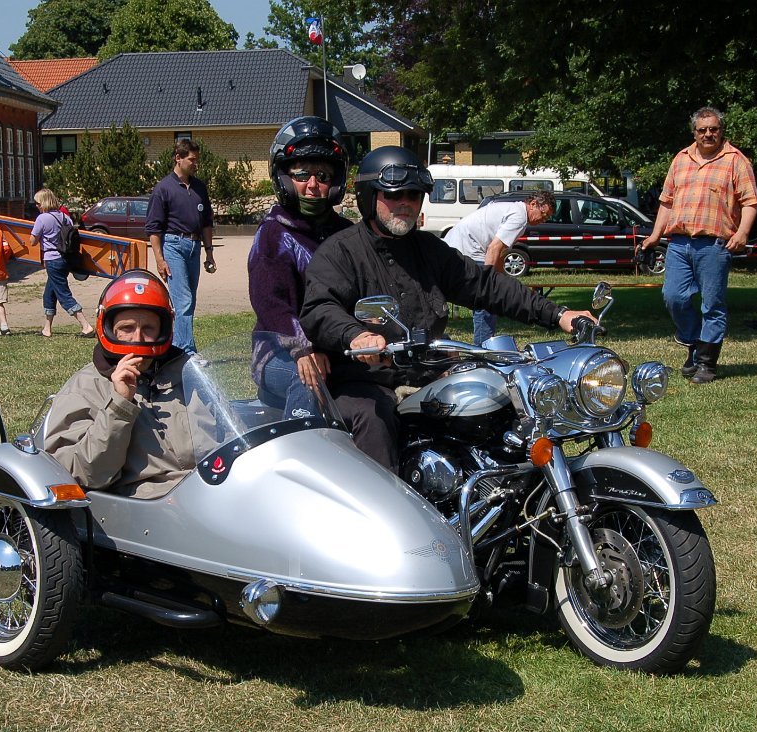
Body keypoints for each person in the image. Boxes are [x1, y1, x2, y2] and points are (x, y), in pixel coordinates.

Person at [300, 146, 596, 470]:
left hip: (425, 372)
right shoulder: (341, 252)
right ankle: (387, 515)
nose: (406, 203)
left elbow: (486, 285)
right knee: (374, 418)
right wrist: (355, 336)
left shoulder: (429, 250)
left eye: (414, 195)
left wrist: (559, 314)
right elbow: (319, 307)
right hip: (364, 380)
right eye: (394, 194)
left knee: (495, 402)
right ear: (369, 195)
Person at [44, 270, 202, 498]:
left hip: (208, 493)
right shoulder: (86, 386)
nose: (138, 337)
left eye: (149, 328)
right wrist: (120, 404)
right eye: (127, 328)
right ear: (108, 328)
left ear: (164, 329)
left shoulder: (189, 375)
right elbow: (82, 473)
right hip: (148, 506)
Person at [640, 106, 757, 384]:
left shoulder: (736, 160)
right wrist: (655, 235)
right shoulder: (680, 159)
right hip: (679, 243)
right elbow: (667, 201)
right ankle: (694, 342)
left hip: (714, 245)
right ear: (694, 132)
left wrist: (742, 233)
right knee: (674, 297)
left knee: (712, 304)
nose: (708, 134)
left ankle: (706, 363)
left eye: (713, 129)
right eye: (702, 130)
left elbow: (750, 201)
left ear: (721, 131)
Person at [248, 116, 352, 415]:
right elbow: (271, 303)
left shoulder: (346, 233)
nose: (312, 185)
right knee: (308, 380)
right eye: (302, 174)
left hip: (337, 349)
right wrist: (302, 348)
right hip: (279, 352)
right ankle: (303, 456)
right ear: (284, 178)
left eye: (322, 175)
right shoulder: (274, 233)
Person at [444, 190, 556, 344]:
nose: (543, 220)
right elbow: (493, 249)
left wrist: (503, 282)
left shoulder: (514, 210)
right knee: (486, 301)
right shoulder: (519, 217)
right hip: (467, 249)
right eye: (543, 214)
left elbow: (501, 253)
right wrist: (489, 286)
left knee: (490, 295)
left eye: (547, 218)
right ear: (533, 204)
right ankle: (483, 350)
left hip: (458, 245)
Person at [145, 138, 216, 354]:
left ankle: (175, 347)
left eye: (197, 160)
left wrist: (209, 252)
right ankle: (186, 353)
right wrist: (159, 259)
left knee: (189, 301)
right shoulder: (163, 188)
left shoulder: (199, 187)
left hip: (194, 246)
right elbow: (153, 228)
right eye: (192, 160)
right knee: (183, 300)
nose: (196, 164)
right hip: (173, 245)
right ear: (178, 158)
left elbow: (206, 223)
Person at [30, 188, 95, 338]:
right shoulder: (66, 218)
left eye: (38, 203)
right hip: (66, 260)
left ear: (44, 202)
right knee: (49, 294)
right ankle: (47, 328)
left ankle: (86, 326)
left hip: (52, 260)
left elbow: (32, 241)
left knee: (63, 294)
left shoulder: (42, 219)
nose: (36, 206)